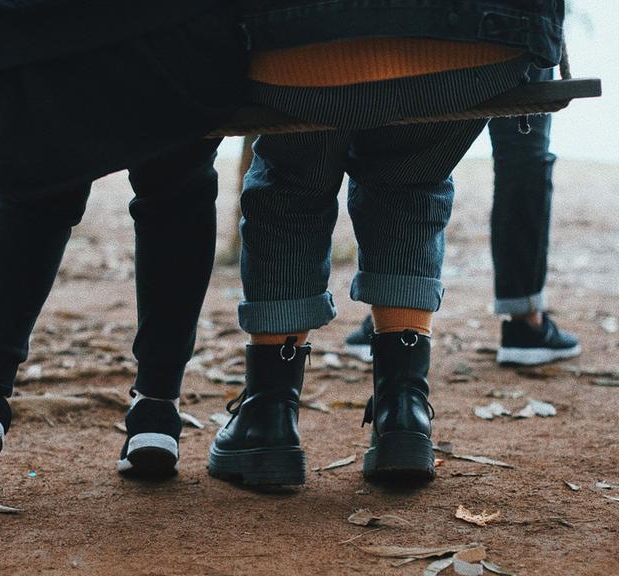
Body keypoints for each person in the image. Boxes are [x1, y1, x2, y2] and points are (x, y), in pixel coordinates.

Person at [207, 1, 565, 486]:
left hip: (298, 49)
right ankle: (404, 410)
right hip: (474, 49)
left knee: (291, 189)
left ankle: (268, 415)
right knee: (411, 179)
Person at [0, 0, 248, 495]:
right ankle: (157, 407)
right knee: (178, 185)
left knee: (33, 190)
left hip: (10, 45)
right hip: (170, 39)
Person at [345, 67, 580, 367]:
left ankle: (390, 312)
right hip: (516, 41)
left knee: (408, 130)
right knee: (523, 149)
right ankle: (526, 321)